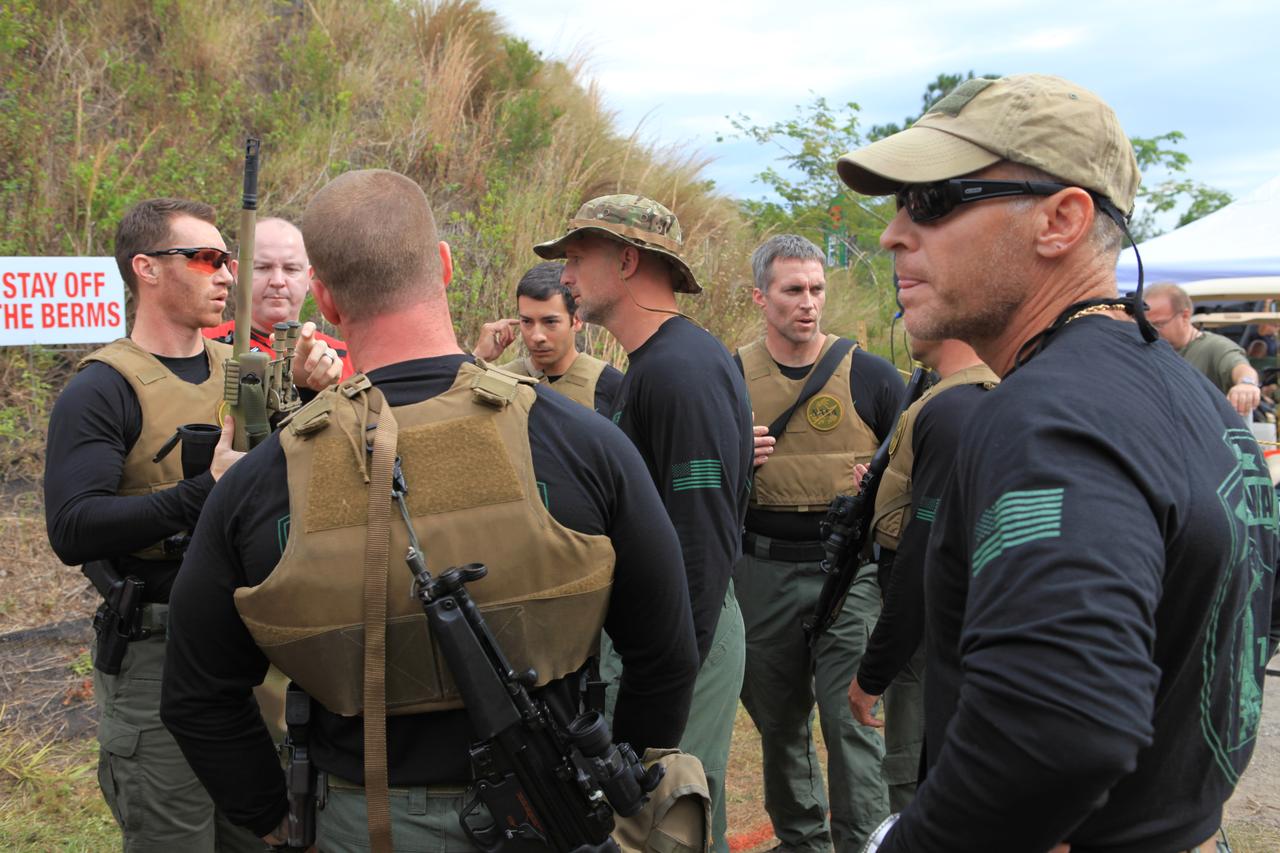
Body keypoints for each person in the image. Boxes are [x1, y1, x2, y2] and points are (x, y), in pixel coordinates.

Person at [159, 170, 701, 852]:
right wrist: (608, 780)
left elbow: (195, 692)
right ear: (443, 266)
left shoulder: (261, 481)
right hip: (557, 811)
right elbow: (666, 650)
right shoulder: (582, 441)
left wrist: (272, 816)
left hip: (363, 822)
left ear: (325, 298)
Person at [837, 73, 1280, 851]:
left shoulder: (1045, 414)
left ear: (1061, 220)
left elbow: (1057, 730)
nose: (893, 234)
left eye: (932, 201)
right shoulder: (1195, 400)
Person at [42, 197, 332, 852]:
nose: (227, 274)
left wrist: (316, 394)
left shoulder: (248, 374)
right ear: (145, 268)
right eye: (204, 258)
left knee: (268, 835)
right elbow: (74, 526)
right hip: (158, 656)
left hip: (253, 658)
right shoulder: (103, 388)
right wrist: (205, 491)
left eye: (227, 259)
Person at [533, 194, 753, 853]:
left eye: (577, 258)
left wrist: (669, 675)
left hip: (685, 632)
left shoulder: (681, 372)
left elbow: (702, 537)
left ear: (627, 261)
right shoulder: (659, 365)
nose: (566, 276)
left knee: (670, 818)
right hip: (666, 632)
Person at [733, 234, 902, 851]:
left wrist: (881, 484)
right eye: (792, 290)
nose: (808, 302)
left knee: (850, 719)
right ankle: (802, 841)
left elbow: (917, 463)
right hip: (761, 570)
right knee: (778, 724)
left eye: (816, 288)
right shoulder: (730, 377)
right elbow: (691, 473)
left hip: (847, 574)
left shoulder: (872, 375)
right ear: (760, 297)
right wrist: (735, 457)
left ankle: (864, 842)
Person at [847, 334, 997, 813]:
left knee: (916, 781)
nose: (906, 316)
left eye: (915, 303)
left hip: (933, 631)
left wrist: (873, 672)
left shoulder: (954, 408)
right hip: (946, 625)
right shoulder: (953, 396)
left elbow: (924, 553)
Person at [204, 217, 356, 381]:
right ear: (237, 273)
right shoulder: (204, 348)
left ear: (308, 277)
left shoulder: (346, 359)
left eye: (291, 269)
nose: (277, 281)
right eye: (263, 267)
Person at [472, 261, 623, 414]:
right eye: (527, 321)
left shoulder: (610, 385)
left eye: (550, 322)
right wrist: (478, 357)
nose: (537, 336)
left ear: (577, 320)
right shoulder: (501, 379)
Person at [1144, 281, 1260, 416]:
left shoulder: (1215, 347)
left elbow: (1240, 367)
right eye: (1147, 325)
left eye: (1159, 324)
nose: (1152, 331)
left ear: (1185, 316)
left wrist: (1246, 384)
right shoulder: (1149, 350)